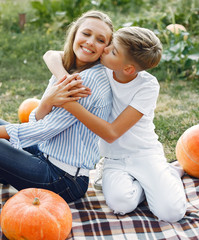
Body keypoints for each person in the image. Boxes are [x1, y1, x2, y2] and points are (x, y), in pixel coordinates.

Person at [0, 10, 114, 203]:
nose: (90, 42)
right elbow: (40, 119)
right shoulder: (69, 68)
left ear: (106, 48)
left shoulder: (85, 82)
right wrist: (46, 102)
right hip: (46, 153)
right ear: (75, 33)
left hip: (64, 179)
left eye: (100, 40)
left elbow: (43, 129)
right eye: (86, 34)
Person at [42, 26, 187, 222]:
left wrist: (67, 101)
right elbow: (51, 55)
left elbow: (111, 133)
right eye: (109, 44)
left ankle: (167, 173)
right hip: (114, 158)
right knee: (121, 205)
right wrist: (64, 81)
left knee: (171, 214)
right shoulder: (102, 67)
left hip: (145, 154)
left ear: (128, 68)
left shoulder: (147, 86)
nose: (104, 49)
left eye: (112, 50)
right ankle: (151, 186)